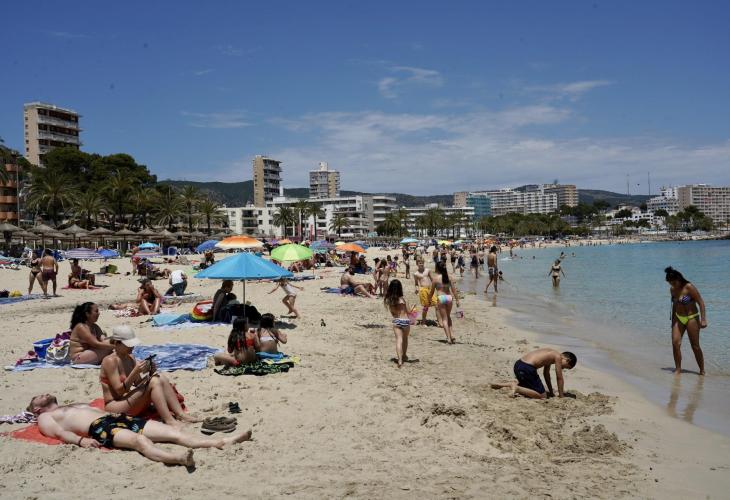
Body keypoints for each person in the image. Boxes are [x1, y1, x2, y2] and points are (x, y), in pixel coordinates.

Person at [28, 394, 251, 466]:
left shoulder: (70, 405)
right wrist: (80, 441)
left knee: (174, 434)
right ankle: (178, 459)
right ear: (36, 409)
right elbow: (59, 434)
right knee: (140, 442)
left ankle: (221, 442)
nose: (44, 394)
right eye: (38, 397)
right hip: (100, 428)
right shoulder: (45, 417)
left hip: (117, 418)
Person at [100, 325, 202, 428]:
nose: (132, 347)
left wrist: (150, 372)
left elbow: (138, 383)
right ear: (117, 343)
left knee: (159, 377)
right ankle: (169, 420)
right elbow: (119, 391)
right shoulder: (110, 361)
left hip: (127, 400)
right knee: (154, 382)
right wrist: (135, 372)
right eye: (128, 345)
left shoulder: (130, 358)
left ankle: (180, 414)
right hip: (114, 406)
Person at [666, 267, 708, 375]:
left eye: (674, 283)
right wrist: (673, 321)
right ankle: (678, 369)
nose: (673, 285)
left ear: (679, 279)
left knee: (695, 346)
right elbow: (675, 305)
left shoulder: (689, 287)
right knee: (675, 343)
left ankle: (702, 370)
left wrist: (703, 319)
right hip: (678, 318)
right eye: (670, 283)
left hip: (691, 318)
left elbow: (701, 302)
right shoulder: (672, 290)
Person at [491, 348, 577, 399]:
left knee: (529, 388)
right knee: (542, 396)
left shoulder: (551, 353)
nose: (562, 368)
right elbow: (559, 377)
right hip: (527, 368)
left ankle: (505, 384)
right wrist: (561, 396)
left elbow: (546, 374)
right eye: (566, 367)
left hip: (518, 365)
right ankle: (517, 388)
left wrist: (551, 392)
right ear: (567, 360)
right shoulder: (558, 357)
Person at [428, 260, 460, 344]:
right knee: (448, 317)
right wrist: (457, 300)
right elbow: (454, 290)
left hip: (441, 298)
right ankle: (452, 335)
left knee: (444, 319)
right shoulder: (449, 277)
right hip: (449, 298)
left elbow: (431, 292)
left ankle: (448, 338)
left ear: (437, 268)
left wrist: (429, 299)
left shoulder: (435, 279)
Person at [384, 279, 411, 368]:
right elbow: (409, 311)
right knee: (405, 339)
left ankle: (399, 360)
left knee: (399, 340)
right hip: (405, 320)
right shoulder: (403, 299)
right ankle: (404, 355)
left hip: (397, 321)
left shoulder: (390, 300)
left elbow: (393, 313)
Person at [413, 258, 439, 327]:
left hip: (430, 289)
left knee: (436, 304)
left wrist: (436, 288)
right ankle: (423, 322)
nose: (421, 264)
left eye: (422, 263)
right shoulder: (416, 274)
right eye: (419, 263)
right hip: (423, 290)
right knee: (426, 306)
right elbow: (416, 283)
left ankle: (439, 321)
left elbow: (433, 280)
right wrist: (416, 289)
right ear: (417, 264)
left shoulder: (428, 270)